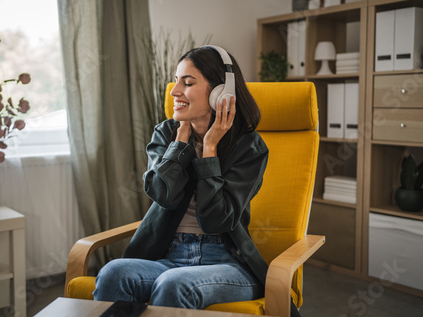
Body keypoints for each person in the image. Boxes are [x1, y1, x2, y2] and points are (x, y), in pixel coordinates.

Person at [93, 45, 301, 316]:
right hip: (168, 256)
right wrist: (180, 143)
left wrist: (210, 150)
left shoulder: (248, 147)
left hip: (226, 264)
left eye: (187, 83)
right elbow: (161, 194)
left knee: (174, 284)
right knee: (112, 273)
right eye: (176, 80)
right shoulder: (167, 134)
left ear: (220, 93)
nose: (174, 91)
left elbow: (216, 220)